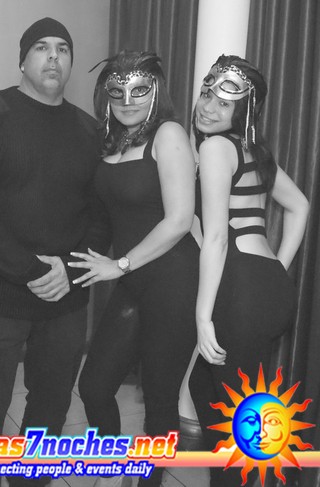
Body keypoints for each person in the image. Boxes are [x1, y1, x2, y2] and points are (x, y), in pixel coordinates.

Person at [0, 17, 111, 487]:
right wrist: (27, 269)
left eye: (63, 48)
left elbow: (101, 215)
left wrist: (68, 270)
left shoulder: (89, 131)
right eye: (42, 47)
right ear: (23, 60)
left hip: (65, 297)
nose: (53, 57)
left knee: (51, 405)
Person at [69, 51, 199, 487]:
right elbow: (104, 217)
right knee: (94, 386)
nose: (127, 100)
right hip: (130, 281)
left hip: (172, 280)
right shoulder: (112, 141)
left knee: (159, 400)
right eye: (117, 91)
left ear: (156, 91)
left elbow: (179, 220)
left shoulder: (169, 133)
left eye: (139, 90)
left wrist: (120, 265)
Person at [188, 55, 309, 487]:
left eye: (224, 103)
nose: (208, 107)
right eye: (206, 95)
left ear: (243, 111)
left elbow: (217, 239)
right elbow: (300, 206)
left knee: (236, 419)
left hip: (242, 291)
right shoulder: (252, 150)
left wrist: (202, 316)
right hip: (264, 286)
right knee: (208, 390)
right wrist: (277, 269)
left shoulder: (216, 148)